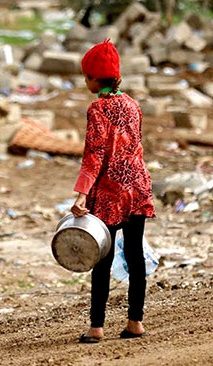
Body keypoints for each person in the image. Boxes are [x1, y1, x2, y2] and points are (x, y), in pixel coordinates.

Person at [69, 39, 156, 343]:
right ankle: (135, 321)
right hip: (138, 187)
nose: (85, 81)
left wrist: (81, 194)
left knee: (102, 258)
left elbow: (94, 155)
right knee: (135, 255)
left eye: (87, 77)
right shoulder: (133, 105)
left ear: (95, 79)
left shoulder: (98, 110)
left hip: (110, 193)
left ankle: (97, 327)